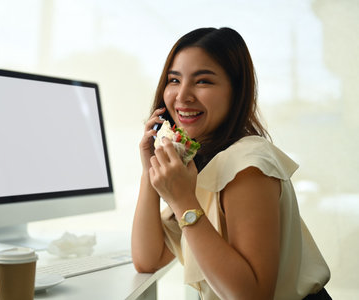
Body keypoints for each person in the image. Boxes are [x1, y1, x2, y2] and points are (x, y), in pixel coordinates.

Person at [131, 27, 331, 300]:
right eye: (174, 80)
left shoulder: (248, 165)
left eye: (202, 82)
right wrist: (150, 170)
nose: (182, 96)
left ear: (236, 92)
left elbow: (253, 296)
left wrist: (182, 202)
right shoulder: (198, 161)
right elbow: (148, 259)